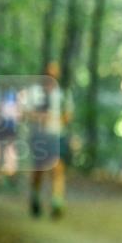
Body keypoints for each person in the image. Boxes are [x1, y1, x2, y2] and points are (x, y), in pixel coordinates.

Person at [27, 62, 72, 219]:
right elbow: (25, 112)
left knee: (58, 167)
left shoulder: (63, 94)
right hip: (39, 136)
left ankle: (57, 201)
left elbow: (68, 115)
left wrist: (59, 119)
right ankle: (35, 197)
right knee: (39, 169)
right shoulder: (34, 92)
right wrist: (40, 117)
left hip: (56, 135)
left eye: (54, 74)